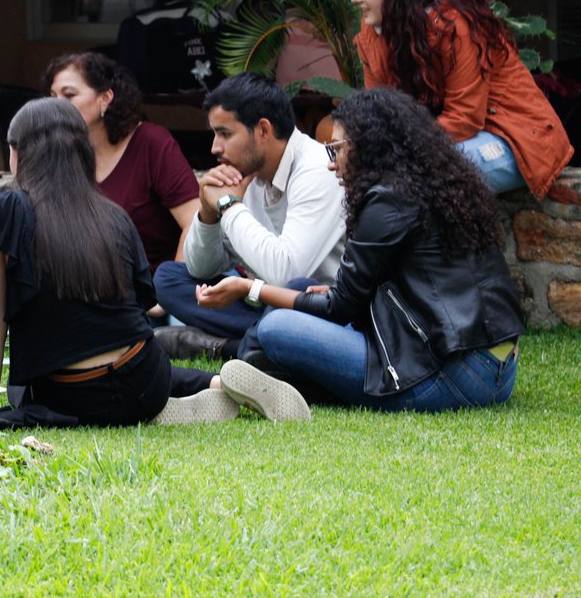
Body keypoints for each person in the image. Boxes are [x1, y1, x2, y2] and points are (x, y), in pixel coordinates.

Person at [0, 98, 310, 427]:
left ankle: (194, 393)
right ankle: (216, 384)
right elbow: (140, 305)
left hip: (65, 397)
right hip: (144, 383)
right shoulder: (112, 215)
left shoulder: (4, 212)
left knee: (21, 393)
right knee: (132, 359)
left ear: (18, 153)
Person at [198, 88, 523, 411]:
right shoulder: (428, 186)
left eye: (336, 149)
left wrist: (249, 287)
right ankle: (262, 371)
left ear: (371, 147)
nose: (331, 163)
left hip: (454, 375)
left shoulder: (387, 201)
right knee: (297, 289)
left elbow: (340, 308)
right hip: (492, 368)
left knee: (276, 327)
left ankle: (263, 375)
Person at [352, 0, 573, 198]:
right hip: (443, 139)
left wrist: (397, 149)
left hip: (514, 137)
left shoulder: (454, 23)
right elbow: (379, 111)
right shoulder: (374, 29)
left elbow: (465, 118)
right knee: (364, 173)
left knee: (411, 182)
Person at [153, 73, 346, 361]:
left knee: (292, 290)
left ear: (263, 130)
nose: (215, 148)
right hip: (261, 300)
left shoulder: (317, 169)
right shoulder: (247, 172)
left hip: (318, 307)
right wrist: (208, 215)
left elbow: (286, 275)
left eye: (225, 134)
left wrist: (229, 206)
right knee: (169, 278)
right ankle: (258, 343)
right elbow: (202, 270)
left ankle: (230, 348)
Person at [44, 52, 200, 275]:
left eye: (69, 95)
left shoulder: (150, 142)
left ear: (105, 98)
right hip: (86, 292)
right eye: (52, 96)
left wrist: (171, 291)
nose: (56, 106)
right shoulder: (59, 152)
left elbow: (194, 223)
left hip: (152, 293)